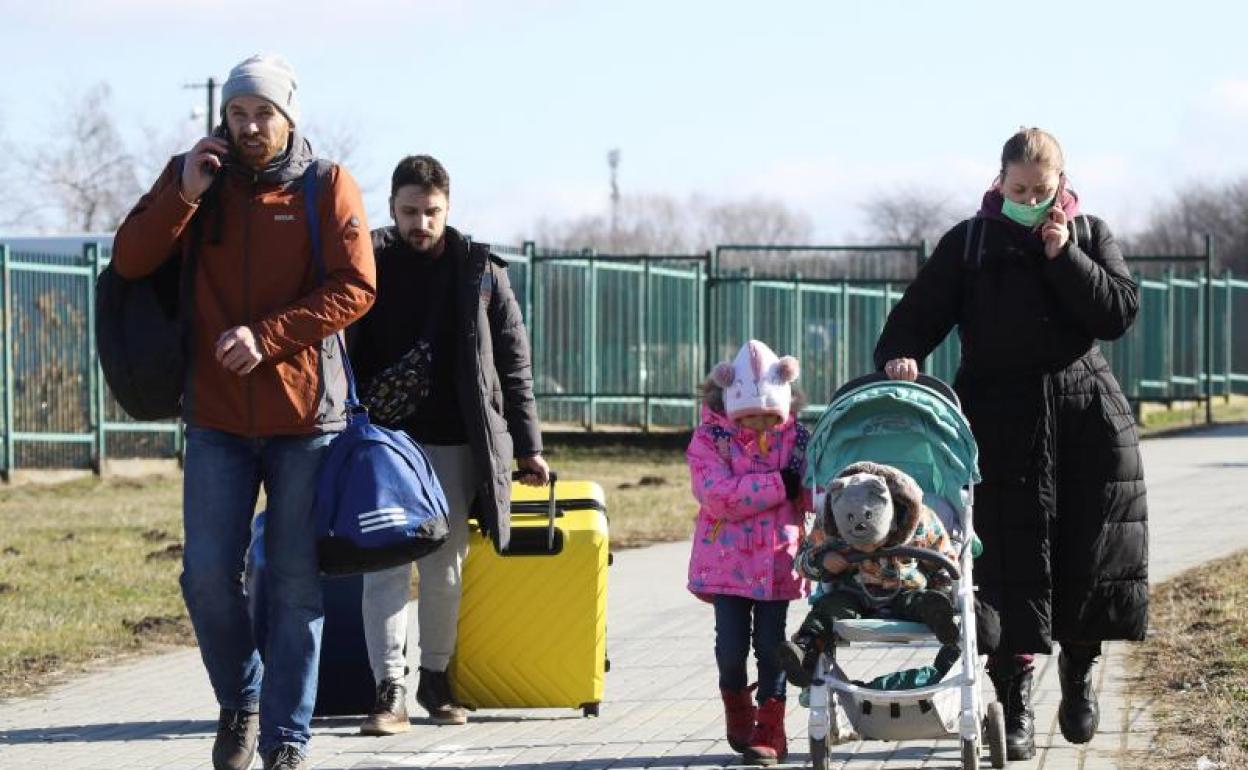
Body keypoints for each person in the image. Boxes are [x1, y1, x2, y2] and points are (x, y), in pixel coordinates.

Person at [112, 54, 376, 770]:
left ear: (289, 115)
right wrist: (185, 194)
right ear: (222, 117)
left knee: (293, 583)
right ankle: (242, 700)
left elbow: (356, 286)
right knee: (204, 576)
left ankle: (287, 741)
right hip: (217, 418)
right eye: (238, 113)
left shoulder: (327, 185)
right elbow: (131, 259)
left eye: (263, 112)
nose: (250, 126)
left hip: (304, 423)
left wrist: (267, 337)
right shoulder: (194, 176)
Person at [874, 127, 1148, 761]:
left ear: (1062, 185)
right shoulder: (968, 243)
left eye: (1041, 190)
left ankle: (1079, 677)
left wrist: (1065, 258)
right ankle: (1015, 706)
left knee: (1088, 553)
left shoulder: (1089, 234)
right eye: (1018, 188)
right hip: (996, 418)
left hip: (1085, 417)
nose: (1029, 199)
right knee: (1004, 566)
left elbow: (1118, 314)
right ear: (999, 182)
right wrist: (899, 358)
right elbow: (915, 316)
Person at [346, 155, 548, 735]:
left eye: (431, 211)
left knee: (445, 566)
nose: (420, 222)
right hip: (382, 447)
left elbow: (514, 364)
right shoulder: (365, 260)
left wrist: (529, 446)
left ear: (448, 208)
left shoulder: (479, 269)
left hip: (458, 443)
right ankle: (389, 690)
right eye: (409, 211)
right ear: (391, 207)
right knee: (383, 568)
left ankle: (435, 678)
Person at [686, 339, 809, 766]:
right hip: (728, 563)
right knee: (731, 647)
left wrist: (817, 490)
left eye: (770, 416)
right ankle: (738, 703)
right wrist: (780, 486)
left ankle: (771, 727)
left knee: (773, 645)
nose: (761, 424)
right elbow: (716, 494)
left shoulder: (797, 441)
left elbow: (811, 492)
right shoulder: (711, 440)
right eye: (751, 415)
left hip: (777, 559)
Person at [777, 462, 962, 688]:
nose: (868, 550)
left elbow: (946, 561)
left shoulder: (920, 521)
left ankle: (941, 619)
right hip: (853, 592)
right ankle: (805, 650)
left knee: (924, 601)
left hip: (907, 588)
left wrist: (943, 589)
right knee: (828, 609)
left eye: (876, 543)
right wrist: (822, 561)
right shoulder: (831, 519)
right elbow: (801, 562)